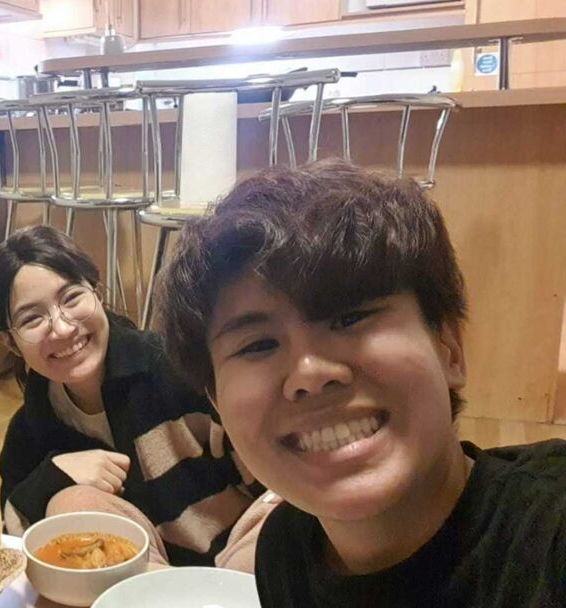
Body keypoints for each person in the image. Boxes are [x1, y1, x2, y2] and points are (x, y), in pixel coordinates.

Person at [155, 160, 566, 606]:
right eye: (258, 345)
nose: (310, 374)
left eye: (349, 317)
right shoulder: (284, 553)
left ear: (448, 347)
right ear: (216, 402)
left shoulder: (547, 539)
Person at [0, 225, 262, 568]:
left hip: (240, 566)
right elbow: (14, 535)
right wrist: (54, 476)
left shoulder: (175, 369)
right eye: (32, 318)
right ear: (10, 342)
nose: (63, 327)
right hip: (143, 585)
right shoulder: (31, 431)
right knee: (71, 505)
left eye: (71, 298)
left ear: (97, 293)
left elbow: (275, 477)